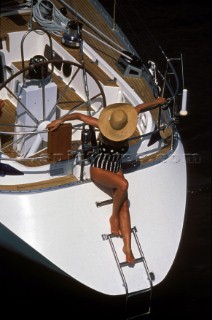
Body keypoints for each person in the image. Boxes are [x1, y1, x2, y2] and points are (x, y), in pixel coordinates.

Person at [47, 96, 166, 264]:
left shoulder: (125, 125)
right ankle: (113, 217)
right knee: (124, 185)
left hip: (116, 168)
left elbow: (139, 107)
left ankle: (128, 249)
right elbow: (79, 117)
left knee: (125, 204)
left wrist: (158, 102)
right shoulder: (102, 127)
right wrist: (60, 120)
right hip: (99, 169)